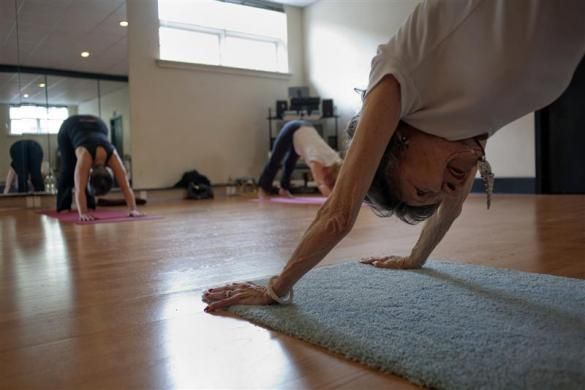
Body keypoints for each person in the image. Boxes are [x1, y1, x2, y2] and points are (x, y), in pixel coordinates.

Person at [203, 0, 585, 310]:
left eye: (423, 190)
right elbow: (451, 208)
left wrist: (275, 288)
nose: (447, 188)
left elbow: (338, 214)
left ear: (396, 145)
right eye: (436, 195)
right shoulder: (468, 133)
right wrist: (415, 258)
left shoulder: (398, 80)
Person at [56, 114, 141, 221]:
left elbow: (125, 186)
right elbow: (79, 188)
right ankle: (63, 206)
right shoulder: (85, 156)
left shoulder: (113, 157)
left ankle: (90, 205)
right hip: (69, 126)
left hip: (99, 125)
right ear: (90, 173)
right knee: (68, 169)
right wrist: (83, 213)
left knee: (80, 175)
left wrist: (133, 209)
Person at [258, 120, 342, 197]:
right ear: (328, 171)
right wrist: (333, 198)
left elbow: (340, 180)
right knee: (276, 159)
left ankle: (284, 189)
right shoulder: (316, 159)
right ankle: (263, 188)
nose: (325, 179)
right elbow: (320, 183)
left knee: (290, 163)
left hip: (305, 133)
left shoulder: (337, 160)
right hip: (293, 128)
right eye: (327, 177)